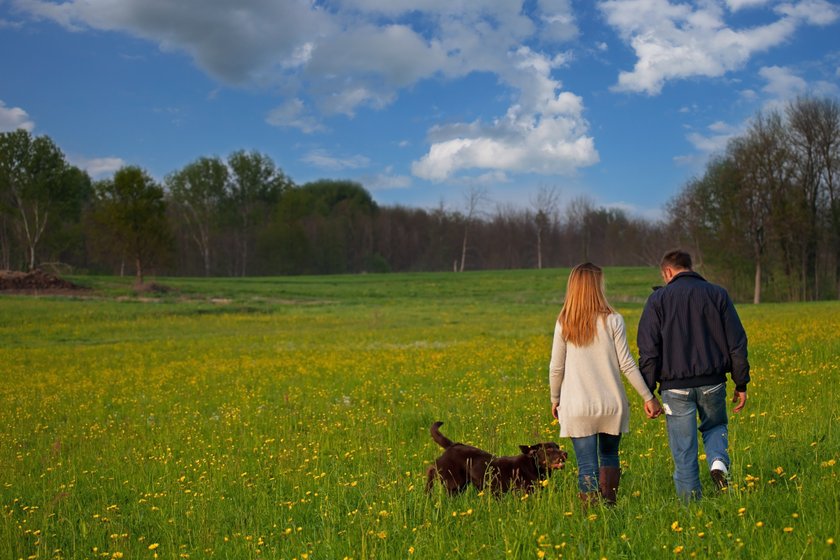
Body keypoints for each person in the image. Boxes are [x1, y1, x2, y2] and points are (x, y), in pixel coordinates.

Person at [637, 249, 750, 502]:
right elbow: (737, 342)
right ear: (690, 267)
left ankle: (692, 510)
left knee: (684, 450)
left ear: (667, 272)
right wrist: (740, 383)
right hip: (713, 382)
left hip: (674, 388)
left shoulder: (658, 300)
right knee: (715, 425)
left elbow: (648, 350)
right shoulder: (717, 294)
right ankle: (718, 463)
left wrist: (648, 391)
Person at [549, 262, 662, 507]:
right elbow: (627, 364)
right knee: (609, 455)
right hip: (611, 404)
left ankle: (591, 516)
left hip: (577, 407)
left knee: (586, 466)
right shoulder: (614, 320)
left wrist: (555, 399)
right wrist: (648, 397)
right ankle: (609, 507)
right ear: (598, 286)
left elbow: (556, 367)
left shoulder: (564, 323)